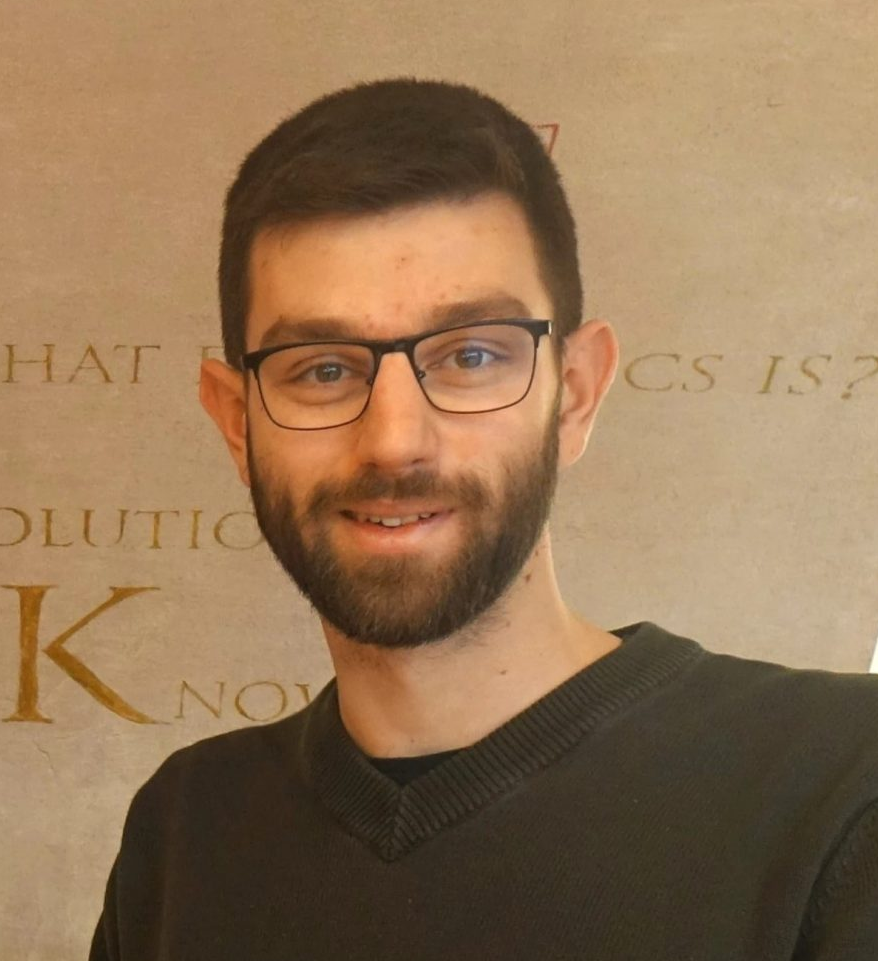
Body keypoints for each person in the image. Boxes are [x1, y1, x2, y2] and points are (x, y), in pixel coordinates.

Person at [89, 77, 878, 960]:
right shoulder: (188, 827)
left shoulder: (843, 790)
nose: (394, 441)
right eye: (322, 369)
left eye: (469, 355)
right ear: (237, 423)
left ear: (573, 393)